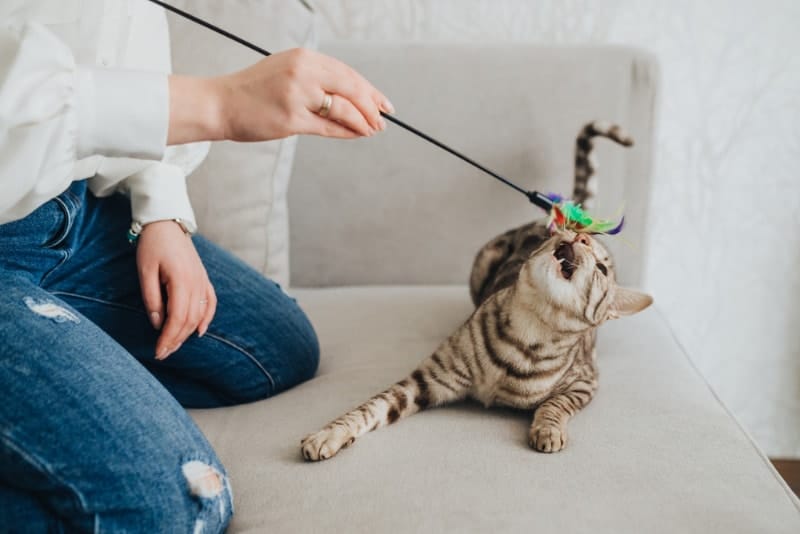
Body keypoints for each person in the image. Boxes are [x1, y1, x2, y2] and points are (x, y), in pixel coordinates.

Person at [0, 1, 393, 531]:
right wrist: (223, 104)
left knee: (273, 350)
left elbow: (120, 47)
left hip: (69, 212)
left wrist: (159, 209)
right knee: (176, 507)